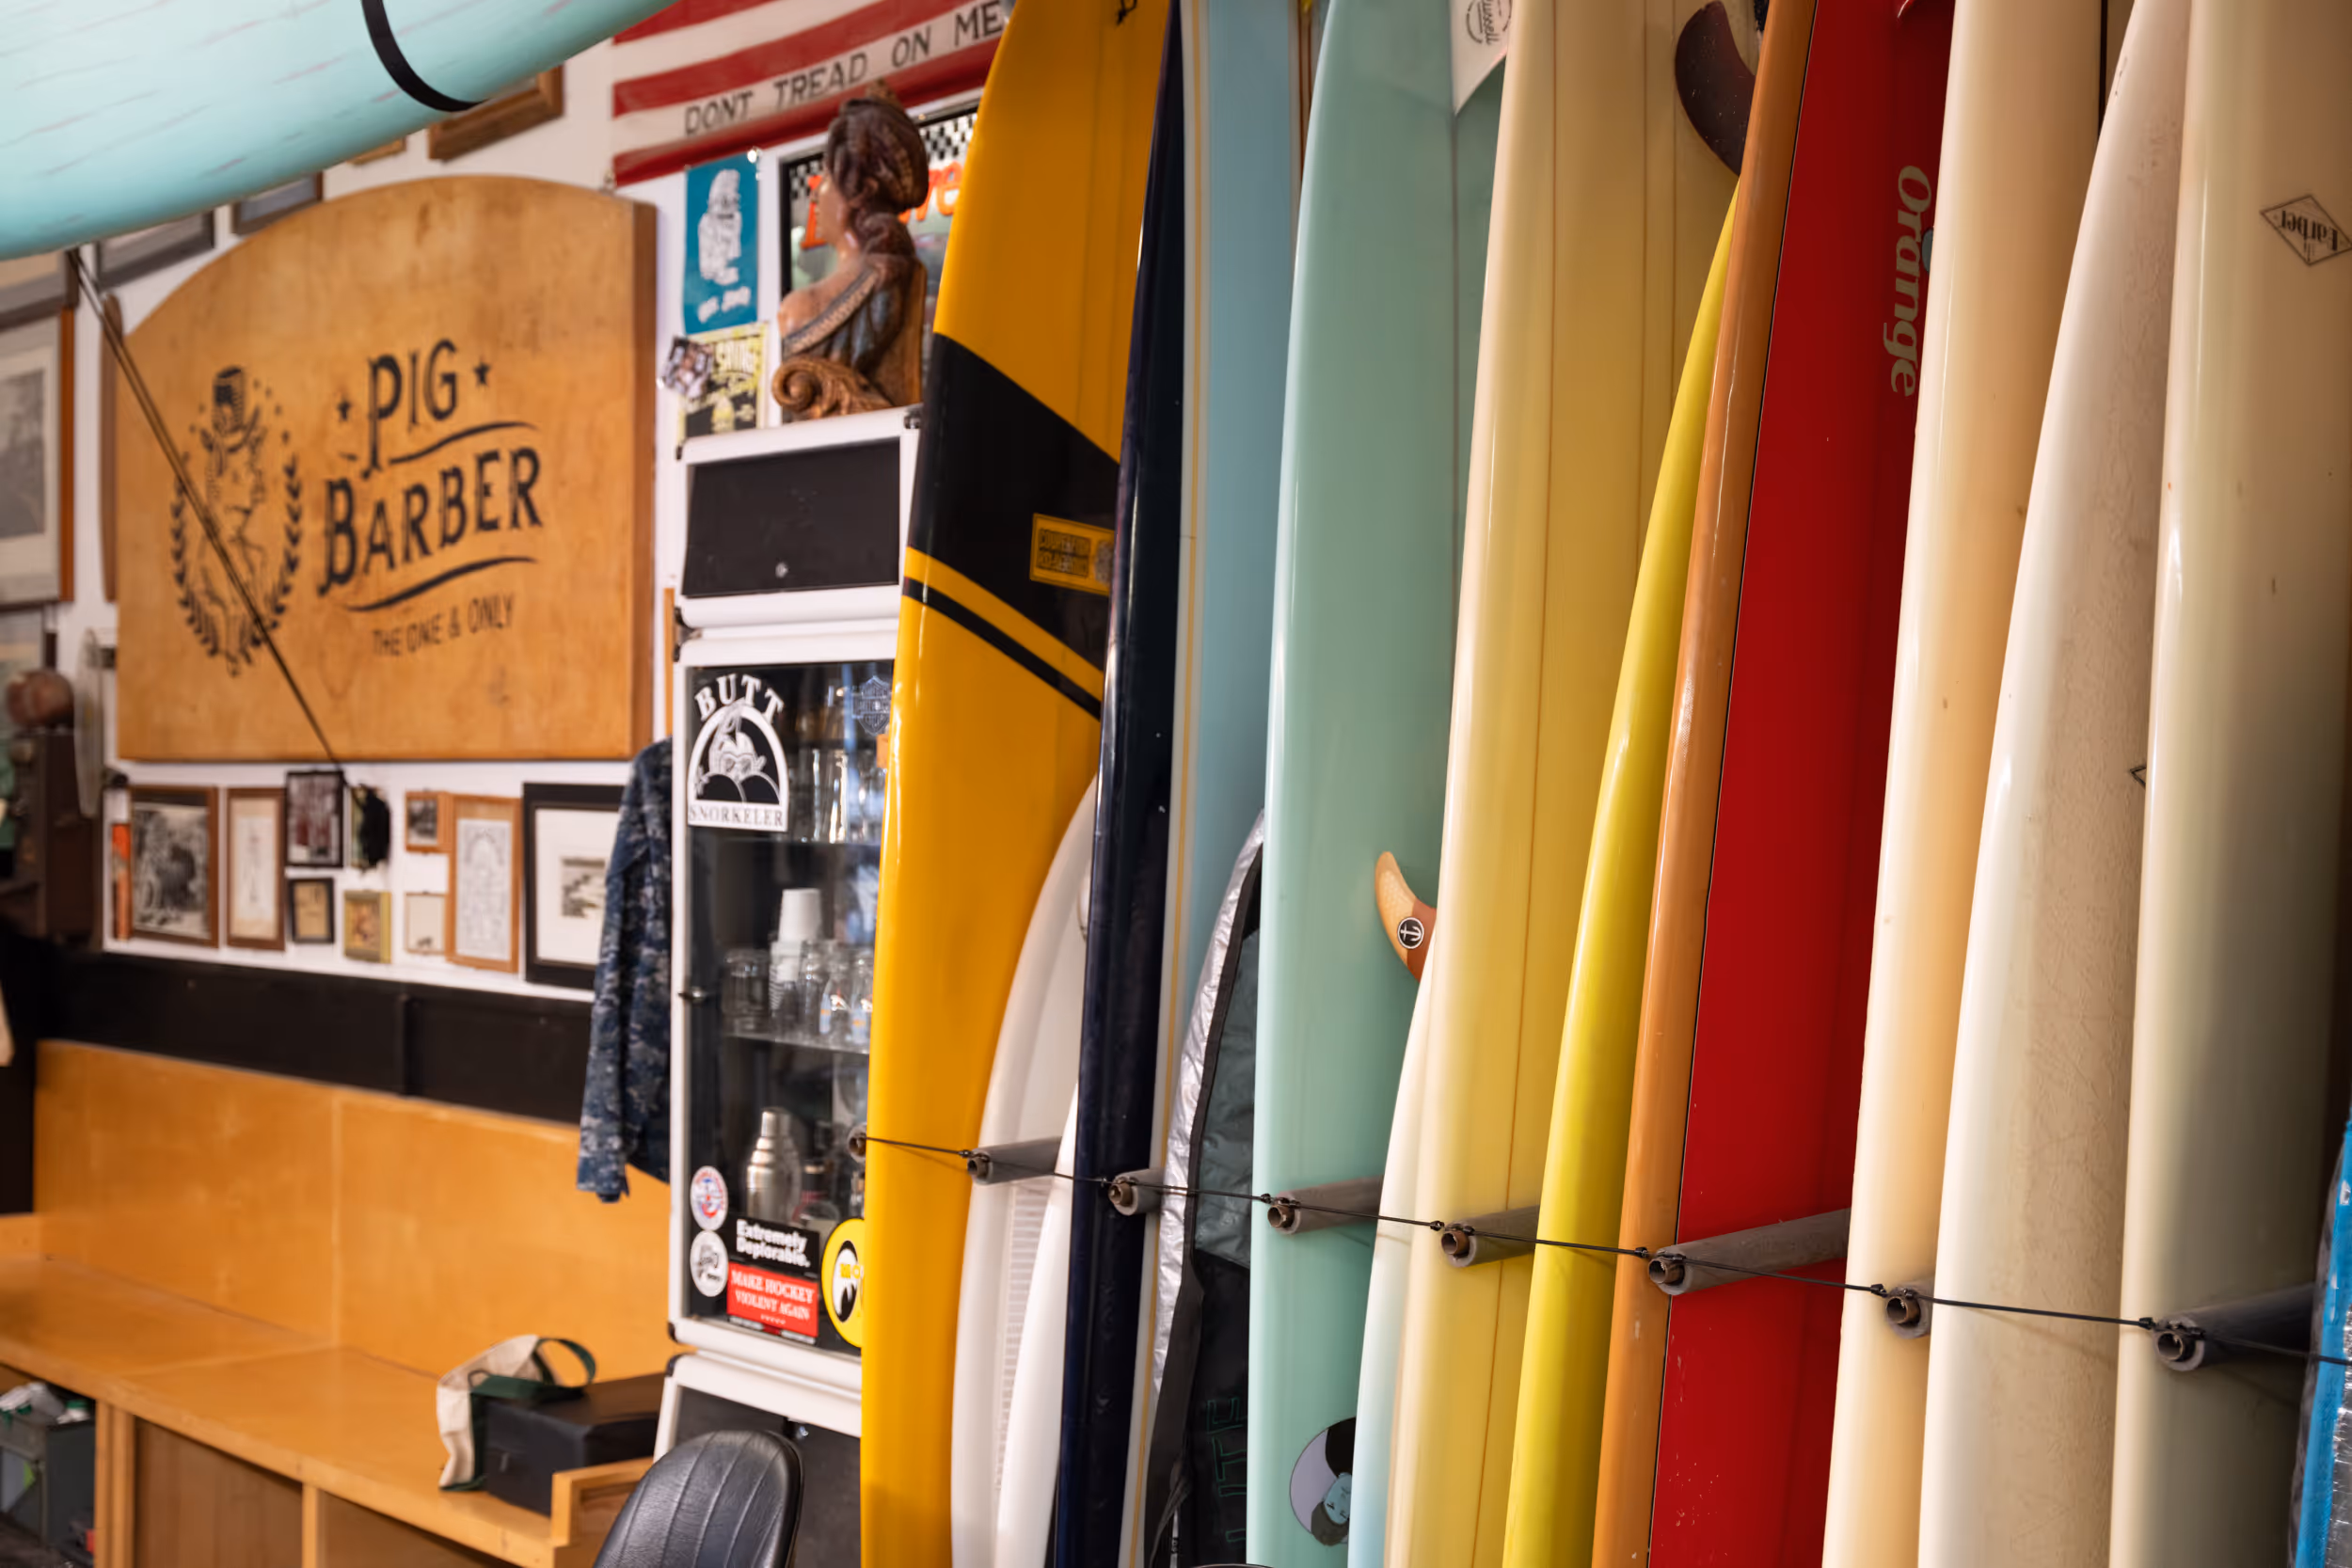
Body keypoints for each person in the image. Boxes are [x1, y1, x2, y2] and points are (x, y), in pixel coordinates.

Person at [773, 85, 930, 418]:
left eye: (826, 175)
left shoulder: (800, 309)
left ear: (859, 190)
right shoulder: (902, 274)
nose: (815, 194)